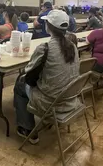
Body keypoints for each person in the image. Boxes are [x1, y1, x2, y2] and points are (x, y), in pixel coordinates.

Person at [13, 10, 79, 143]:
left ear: (48, 26)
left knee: (20, 84)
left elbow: (27, 70)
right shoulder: (72, 46)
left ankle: (27, 129)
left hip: (50, 101)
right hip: (70, 98)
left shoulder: (45, 48)